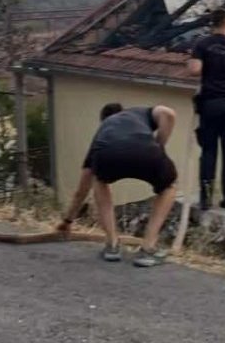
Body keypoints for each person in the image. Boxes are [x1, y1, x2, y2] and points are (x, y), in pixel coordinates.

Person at [57, 103, 178, 267]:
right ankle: (148, 248)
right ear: (122, 112)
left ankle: (112, 245)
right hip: (147, 151)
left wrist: (67, 221)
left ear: (103, 121)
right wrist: (159, 145)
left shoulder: (102, 135)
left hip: (108, 154)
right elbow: (168, 113)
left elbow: (81, 190)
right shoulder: (139, 113)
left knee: (98, 180)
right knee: (169, 186)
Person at [187, 8, 225, 211]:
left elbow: (193, 70)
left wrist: (210, 64)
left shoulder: (202, 44)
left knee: (208, 150)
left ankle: (205, 199)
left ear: (211, 24)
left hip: (210, 103)